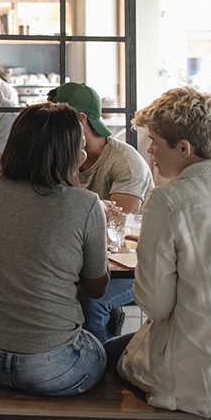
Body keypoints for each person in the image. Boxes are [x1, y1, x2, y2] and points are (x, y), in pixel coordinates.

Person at [0, 102, 109, 416]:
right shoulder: (85, 204)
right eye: (80, 148)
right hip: (52, 365)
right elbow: (96, 289)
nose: (84, 155)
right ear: (68, 153)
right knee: (109, 351)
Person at [105, 87, 211, 420]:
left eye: (155, 141)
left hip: (195, 373)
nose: (149, 150)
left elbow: (155, 304)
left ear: (184, 148)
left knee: (100, 361)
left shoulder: (167, 200)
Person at [49, 82, 153, 342]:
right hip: (86, 260)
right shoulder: (60, 155)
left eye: (55, 116)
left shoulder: (125, 162)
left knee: (91, 300)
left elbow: (115, 230)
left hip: (133, 268)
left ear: (80, 119)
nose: (48, 125)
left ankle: (99, 372)